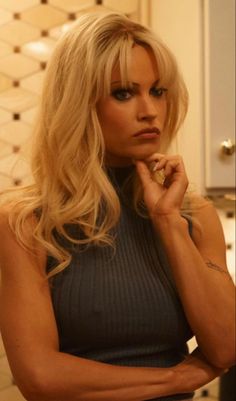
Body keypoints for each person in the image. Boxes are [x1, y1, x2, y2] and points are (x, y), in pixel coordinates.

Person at [0, 12, 235, 401]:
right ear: (79, 103)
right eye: (124, 93)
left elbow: (226, 347)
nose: (150, 111)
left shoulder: (194, 216)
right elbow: (41, 378)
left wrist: (168, 221)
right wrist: (176, 379)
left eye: (158, 91)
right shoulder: (26, 222)